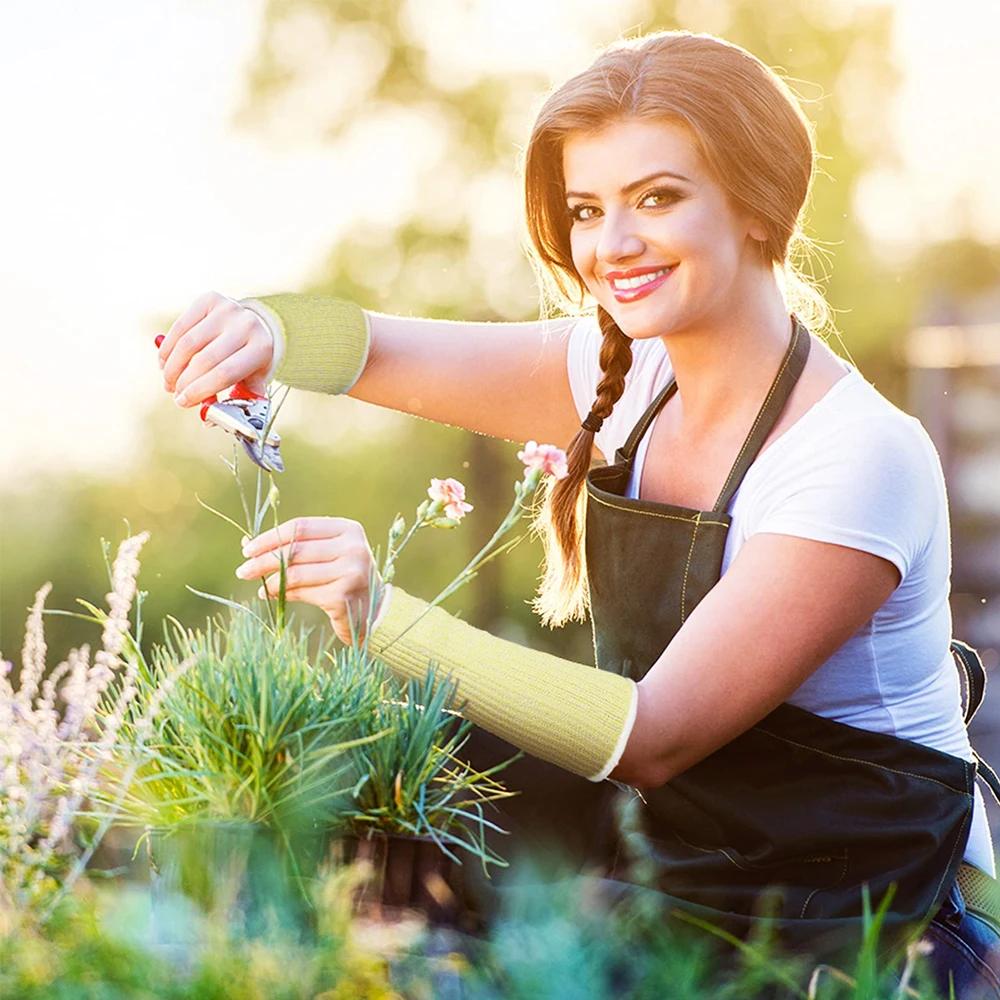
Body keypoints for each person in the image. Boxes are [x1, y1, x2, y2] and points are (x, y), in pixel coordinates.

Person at [157, 28, 1000, 995]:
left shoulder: (857, 456)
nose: (614, 244)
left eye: (658, 198)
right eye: (587, 209)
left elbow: (655, 735)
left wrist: (380, 617)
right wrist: (259, 326)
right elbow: (373, 351)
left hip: (874, 931)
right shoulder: (628, 378)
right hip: (692, 891)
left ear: (759, 204)